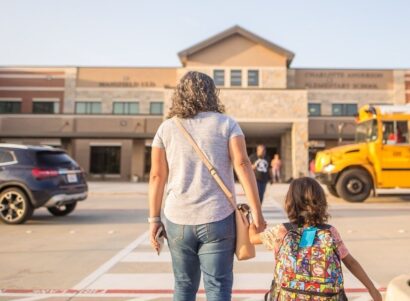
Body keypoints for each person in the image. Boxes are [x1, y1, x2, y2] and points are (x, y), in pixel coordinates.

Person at [148, 71, 265, 301]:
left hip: (177, 218)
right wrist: (257, 213)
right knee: (218, 288)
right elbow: (242, 164)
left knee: (183, 285)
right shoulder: (227, 124)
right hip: (218, 217)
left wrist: (153, 220)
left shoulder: (166, 128)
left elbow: (156, 176)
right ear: (212, 93)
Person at [249, 177, 382, 301]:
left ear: (290, 202)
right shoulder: (330, 232)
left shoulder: (281, 231)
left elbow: (253, 239)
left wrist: (251, 225)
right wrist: (372, 289)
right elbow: (351, 263)